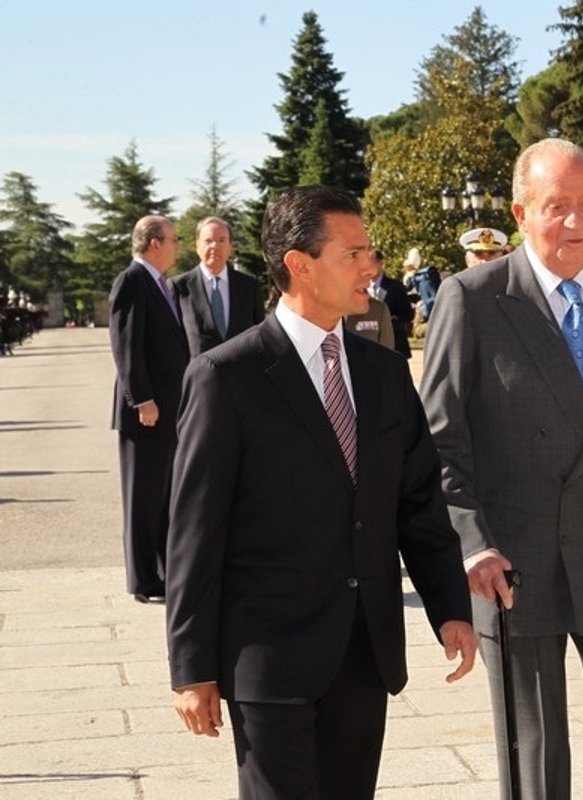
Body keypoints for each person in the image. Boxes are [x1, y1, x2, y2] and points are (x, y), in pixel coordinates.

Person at [165, 186, 476, 798]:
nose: (370, 267)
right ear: (299, 265)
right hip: (267, 658)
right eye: (352, 253)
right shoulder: (226, 377)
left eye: (370, 251)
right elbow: (195, 533)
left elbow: (418, 501)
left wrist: (450, 608)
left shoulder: (384, 372)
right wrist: (191, 667)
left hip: (364, 653)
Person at [421, 137, 583, 799]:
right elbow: (440, 442)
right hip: (516, 564)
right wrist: (473, 545)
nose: (575, 221)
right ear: (521, 213)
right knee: (536, 755)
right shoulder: (473, 298)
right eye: (557, 205)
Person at [107, 215, 190, 603]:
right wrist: (142, 399)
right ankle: (142, 580)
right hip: (147, 411)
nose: (177, 245)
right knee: (142, 497)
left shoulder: (160, 283)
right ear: (154, 243)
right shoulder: (132, 281)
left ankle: (163, 572)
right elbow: (126, 346)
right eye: (173, 238)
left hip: (168, 408)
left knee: (163, 495)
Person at [173, 217, 264, 357]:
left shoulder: (249, 286)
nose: (215, 246)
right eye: (208, 241)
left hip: (241, 368)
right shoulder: (178, 287)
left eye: (222, 240)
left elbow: (260, 335)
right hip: (198, 369)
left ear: (230, 246)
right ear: (197, 246)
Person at [345, 250, 396, 349]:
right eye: (353, 257)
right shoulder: (315, 312)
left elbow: (386, 353)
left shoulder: (377, 310)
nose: (371, 271)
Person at [370, 249, 414, 358]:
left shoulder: (395, 287)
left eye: (371, 262)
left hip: (395, 345)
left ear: (381, 263)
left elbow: (407, 314)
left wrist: (388, 322)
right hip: (368, 346)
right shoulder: (360, 287)